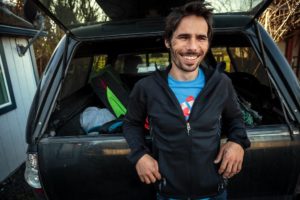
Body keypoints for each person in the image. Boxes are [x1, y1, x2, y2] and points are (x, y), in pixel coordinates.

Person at [123, 1, 251, 200]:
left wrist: (237, 142)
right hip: (167, 193)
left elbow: (236, 120)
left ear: (208, 43)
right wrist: (139, 155)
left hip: (214, 193)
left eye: (201, 38)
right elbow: (131, 123)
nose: (192, 47)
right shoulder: (146, 88)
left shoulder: (221, 84)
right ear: (168, 41)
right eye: (183, 37)